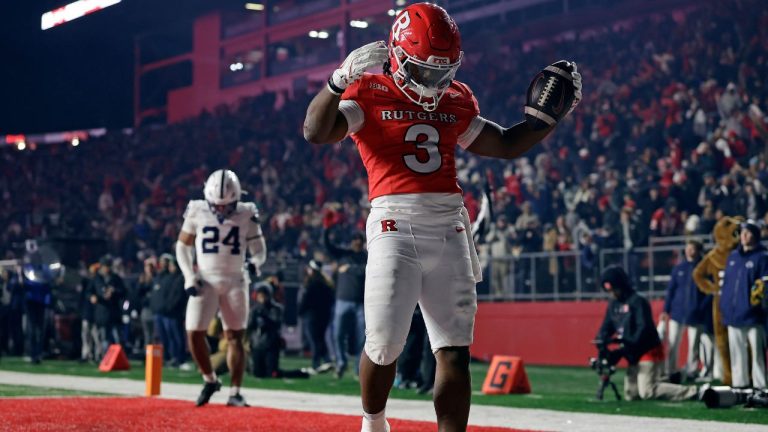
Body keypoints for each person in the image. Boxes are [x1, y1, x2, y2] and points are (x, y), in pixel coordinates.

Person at [303, 3, 581, 430]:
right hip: (393, 222)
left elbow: (505, 144)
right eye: (424, 71)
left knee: (454, 350)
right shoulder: (369, 90)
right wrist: (336, 83)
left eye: (442, 72)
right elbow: (316, 132)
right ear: (395, 55)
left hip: (450, 224)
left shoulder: (457, 97)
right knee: (383, 344)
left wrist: (547, 120)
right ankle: (373, 424)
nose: (434, 83)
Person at [176, 169, 267, 407]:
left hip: (236, 279)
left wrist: (256, 263)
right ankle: (210, 380)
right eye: (217, 205)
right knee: (194, 333)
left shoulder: (247, 212)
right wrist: (188, 276)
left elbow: (259, 249)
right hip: (205, 279)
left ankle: (235, 392)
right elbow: (182, 246)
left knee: (235, 337)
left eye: (228, 205)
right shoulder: (196, 209)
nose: (222, 210)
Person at [597, 266, 699, 401]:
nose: (612, 294)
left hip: (647, 350)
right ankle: (669, 379)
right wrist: (601, 340)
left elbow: (642, 330)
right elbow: (607, 327)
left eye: (614, 289)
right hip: (633, 352)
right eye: (609, 291)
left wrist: (623, 348)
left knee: (647, 391)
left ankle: (693, 392)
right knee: (631, 394)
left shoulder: (638, 301)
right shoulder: (614, 305)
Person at [719, 220, 767, 389]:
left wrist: (758, 304)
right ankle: (740, 386)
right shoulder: (733, 257)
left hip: (754, 316)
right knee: (736, 354)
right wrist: (724, 306)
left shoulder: (762, 257)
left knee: (757, 355)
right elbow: (726, 286)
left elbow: (764, 286)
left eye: (748, 232)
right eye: (742, 233)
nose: (743, 236)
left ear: (755, 235)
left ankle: (761, 388)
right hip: (733, 315)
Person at [659, 240, 714, 382]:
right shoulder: (679, 268)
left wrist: (701, 308)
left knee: (694, 346)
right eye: (688, 248)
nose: (690, 251)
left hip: (697, 314)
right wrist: (666, 310)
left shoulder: (705, 268)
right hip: (677, 313)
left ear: (698, 250)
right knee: (672, 343)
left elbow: (710, 292)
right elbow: (671, 290)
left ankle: (691, 371)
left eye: (693, 248)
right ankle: (670, 370)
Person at [323, 224, 367, 379]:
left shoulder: (367, 256)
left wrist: (349, 269)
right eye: (354, 239)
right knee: (338, 335)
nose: (356, 242)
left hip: (362, 302)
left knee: (363, 337)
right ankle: (341, 362)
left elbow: (367, 270)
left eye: (359, 239)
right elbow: (328, 246)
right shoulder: (343, 254)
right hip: (342, 300)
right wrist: (327, 229)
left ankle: (358, 368)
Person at [298, 260, 335, 373]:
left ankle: (316, 364)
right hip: (324, 316)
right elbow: (331, 300)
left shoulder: (310, 283)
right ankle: (327, 360)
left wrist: (300, 311)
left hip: (311, 316)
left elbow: (306, 301)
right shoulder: (326, 283)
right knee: (320, 338)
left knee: (314, 340)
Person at [248, 282, 284, 378]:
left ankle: (298, 373)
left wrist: (265, 315)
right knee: (257, 373)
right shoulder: (255, 310)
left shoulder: (276, 308)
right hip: (257, 344)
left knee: (271, 373)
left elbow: (276, 323)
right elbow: (250, 326)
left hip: (270, 344)